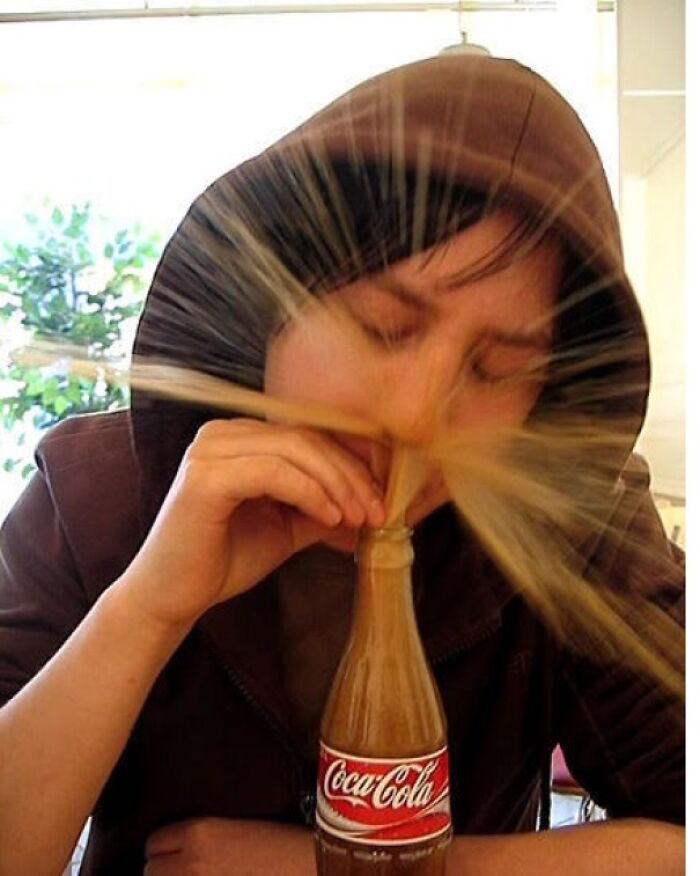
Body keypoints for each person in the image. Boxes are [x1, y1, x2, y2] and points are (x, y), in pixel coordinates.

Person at [0, 54, 684, 876]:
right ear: (275, 302)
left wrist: (352, 866)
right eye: (383, 327)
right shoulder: (90, 496)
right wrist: (146, 608)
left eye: (496, 370)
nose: (415, 415)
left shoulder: (577, 528)